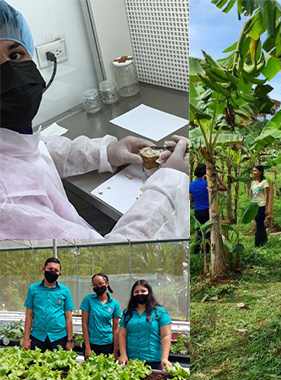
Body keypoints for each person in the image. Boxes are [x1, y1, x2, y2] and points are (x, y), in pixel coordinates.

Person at [0, 1, 189, 239]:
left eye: (15, 54)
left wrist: (106, 152)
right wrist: (171, 183)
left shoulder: (11, 136)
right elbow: (117, 260)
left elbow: (35, 152)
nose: (10, 74)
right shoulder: (7, 205)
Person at [22, 257, 75, 352]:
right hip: (38, 337)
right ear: (43, 269)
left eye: (56, 270)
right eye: (50, 269)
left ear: (59, 274)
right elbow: (29, 314)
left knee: (58, 366)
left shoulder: (65, 291)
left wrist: (70, 340)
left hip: (59, 337)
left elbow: (68, 317)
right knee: (37, 365)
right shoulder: (33, 289)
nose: (53, 272)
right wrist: (26, 338)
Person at [118, 280, 172, 370]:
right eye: (136, 292)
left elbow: (165, 335)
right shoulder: (127, 313)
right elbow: (122, 334)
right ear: (133, 294)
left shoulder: (160, 312)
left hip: (153, 361)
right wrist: (123, 354)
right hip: (131, 361)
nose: (140, 294)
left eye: (143, 291)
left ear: (149, 292)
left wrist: (164, 358)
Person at [80, 273, 121, 359]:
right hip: (92, 343)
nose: (98, 287)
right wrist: (87, 347)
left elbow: (115, 328)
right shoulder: (88, 300)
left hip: (108, 343)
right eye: (95, 285)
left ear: (107, 284)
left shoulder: (114, 304)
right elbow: (84, 324)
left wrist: (114, 351)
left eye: (100, 284)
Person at [189, 163, 228, 248]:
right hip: (208, 210)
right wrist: (217, 176)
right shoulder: (209, 183)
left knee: (199, 231)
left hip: (197, 211)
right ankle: (207, 250)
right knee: (209, 232)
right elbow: (224, 188)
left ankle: (197, 249)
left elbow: (191, 199)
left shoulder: (191, 184)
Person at [251, 165, 270, 247]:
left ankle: (258, 242)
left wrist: (266, 208)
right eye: (253, 171)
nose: (253, 172)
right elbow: (252, 195)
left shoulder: (264, 182)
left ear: (260, 172)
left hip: (261, 205)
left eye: (255, 171)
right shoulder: (253, 183)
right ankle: (263, 241)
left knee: (259, 223)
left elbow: (267, 195)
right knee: (259, 223)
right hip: (254, 206)